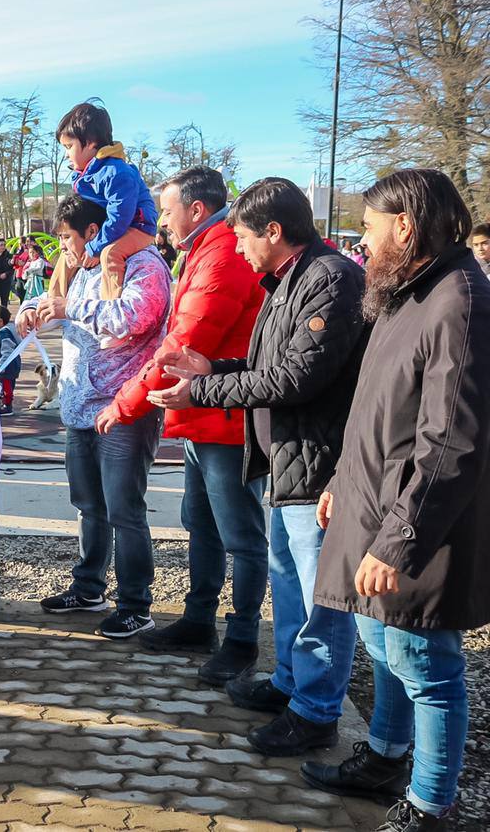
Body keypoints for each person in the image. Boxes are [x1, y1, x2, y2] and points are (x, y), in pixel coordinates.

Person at [151, 177, 369, 756]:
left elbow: (297, 377)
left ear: (275, 232)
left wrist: (204, 390)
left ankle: (316, 711)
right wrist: (212, 364)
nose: (240, 249)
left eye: (244, 236)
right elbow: (266, 360)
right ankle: (293, 685)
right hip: (287, 461)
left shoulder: (331, 279)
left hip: (315, 464)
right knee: (290, 584)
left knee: (321, 599)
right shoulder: (288, 281)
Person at [302, 169, 490, 831]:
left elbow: (450, 440)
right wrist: (339, 482)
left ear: (405, 227)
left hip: (416, 521)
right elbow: (378, 409)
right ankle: (385, 755)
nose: (365, 240)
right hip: (374, 500)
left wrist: (398, 540)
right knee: (381, 643)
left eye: (373, 227)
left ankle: (431, 804)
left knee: (425, 663)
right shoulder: (409, 289)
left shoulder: (458, 299)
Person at [104, 167, 268, 686]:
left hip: (227, 416)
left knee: (240, 535)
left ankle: (242, 637)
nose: (161, 224)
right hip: (203, 413)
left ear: (196, 210)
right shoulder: (207, 249)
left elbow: (183, 345)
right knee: (201, 523)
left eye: (167, 212)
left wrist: (125, 403)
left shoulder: (221, 255)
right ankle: (199, 621)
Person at [21, 195, 170, 639]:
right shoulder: (83, 269)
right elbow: (61, 310)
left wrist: (70, 308)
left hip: (122, 408)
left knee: (125, 511)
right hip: (79, 407)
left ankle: (136, 604)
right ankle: (89, 587)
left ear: (92, 231)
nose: (60, 248)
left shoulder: (143, 264)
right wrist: (36, 312)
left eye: (65, 237)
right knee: (89, 507)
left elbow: (136, 318)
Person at [56, 101, 158, 299]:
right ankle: (53, 303)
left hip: (137, 226)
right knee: (67, 254)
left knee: (110, 254)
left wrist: (95, 247)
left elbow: (119, 217)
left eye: (69, 146)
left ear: (91, 142)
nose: (66, 154)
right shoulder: (83, 175)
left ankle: (110, 304)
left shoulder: (116, 172)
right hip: (111, 226)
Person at [0, 305, 21, 416]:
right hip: (12, 364)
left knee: (6, 386)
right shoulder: (9, 331)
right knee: (8, 385)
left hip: (7, 366)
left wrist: (1, 366)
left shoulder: (4, 333)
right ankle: (6, 404)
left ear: (0, 321)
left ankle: (7, 406)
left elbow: (7, 350)